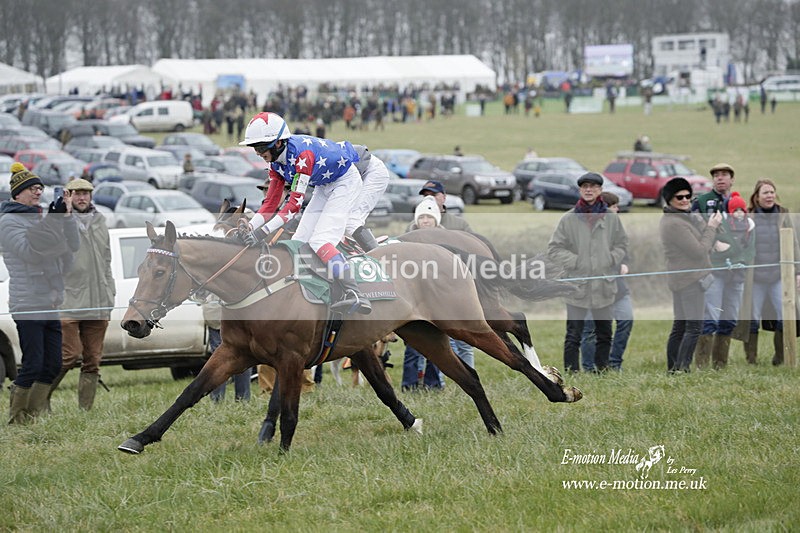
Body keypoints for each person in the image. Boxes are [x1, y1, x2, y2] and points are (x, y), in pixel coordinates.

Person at [236, 111, 371, 314]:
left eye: (262, 147)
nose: (258, 152)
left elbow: (293, 208)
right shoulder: (275, 163)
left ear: (279, 143)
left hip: (345, 181)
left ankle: (355, 293)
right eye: (255, 147)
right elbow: (271, 203)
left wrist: (260, 234)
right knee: (298, 241)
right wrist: (251, 226)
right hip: (324, 185)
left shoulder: (302, 156)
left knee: (320, 241)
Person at [2, 163, 79, 423]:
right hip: (27, 301)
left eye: (40, 189)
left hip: (50, 298)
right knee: (33, 363)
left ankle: (34, 414)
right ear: (18, 193)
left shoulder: (39, 217)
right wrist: (51, 222)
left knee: (54, 363)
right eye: (33, 189)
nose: (38, 193)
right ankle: (17, 417)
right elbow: (31, 252)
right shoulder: (8, 221)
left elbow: (70, 248)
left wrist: (65, 219)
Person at [548, 172, 629, 373]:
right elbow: (554, 249)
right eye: (585, 186)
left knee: (604, 333)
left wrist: (610, 259)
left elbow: (622, 244)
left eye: (593, 186)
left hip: (604, 284)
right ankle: (572, 372)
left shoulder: (611, 218)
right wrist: (576, 261)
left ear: (600, 190)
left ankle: (602, 371)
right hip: (576, 286)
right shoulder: (568, 219)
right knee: (573, 334)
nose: (589, 189)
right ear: (580, 190)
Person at [49, 179, 115, 410]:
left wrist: (110, 293)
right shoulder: (59, 220)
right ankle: (38, 401)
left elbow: (106, 260)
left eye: (86, 193)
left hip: (98, 301)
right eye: (77, 193)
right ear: (69, 195)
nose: (82, 198)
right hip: (69, 300)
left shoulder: (100, 221)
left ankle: (85, 411)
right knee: (68, 355)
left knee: (93, 361)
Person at [400, 198, 474, 391]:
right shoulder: (406, 240)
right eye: (422, 217)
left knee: (440, 344)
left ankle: (434, 384)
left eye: (429, 217)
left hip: (440, 300)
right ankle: (410, 385)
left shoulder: (446, 241)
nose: (425, 221)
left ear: (436, 220)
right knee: (413, 345)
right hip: (414, 301)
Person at [733, 179, 800, 366]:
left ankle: (781, 357)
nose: (769, 195)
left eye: (772, 192)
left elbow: (793, 243)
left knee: (784, 315)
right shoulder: (749, 216)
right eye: (765, 193)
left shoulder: (783, 214)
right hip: (755, 278)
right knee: (752, 318)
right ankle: (751, 359)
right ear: (757, 196)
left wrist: (798, 272)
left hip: (779, 276)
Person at [660, 177, 722, 373]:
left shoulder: (685, 217)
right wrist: (712, 228)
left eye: (688, 196)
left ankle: (674, 369)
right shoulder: (674, 224)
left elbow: (704, 235)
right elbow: (699, 250)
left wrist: (708, 227)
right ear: (669, 199)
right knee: (692, 327)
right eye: (680, 197)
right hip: (690, 281)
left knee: (681, 326)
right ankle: (681, 368)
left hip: (685, 279)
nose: (685, 200)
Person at [694, 191, 755, 370]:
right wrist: (730, 252)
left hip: (737, 277)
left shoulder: (750, 226)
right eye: (735, 209)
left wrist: (738, 260)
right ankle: (702, 365)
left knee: (729, 320)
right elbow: (715, 246)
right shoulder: (720, 222)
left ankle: (720, 364)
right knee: (710, 319)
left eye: (741, 209)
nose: (738, 212)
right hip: (717, 274)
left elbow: (750, 251)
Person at [580, 192, 633, 371]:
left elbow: (625, 253)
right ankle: (588, 368)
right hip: (592, 292)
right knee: (590, 330)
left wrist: (624, 263)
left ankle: (614, 363)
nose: (617, 210)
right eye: (614, 207)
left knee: (626, 320)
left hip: (618, 289)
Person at [204, 295, 252, 402]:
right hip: (231, 313)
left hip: (220, 312)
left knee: (219, 357)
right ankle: (242, 399)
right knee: (243, 356)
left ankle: (217, 399)